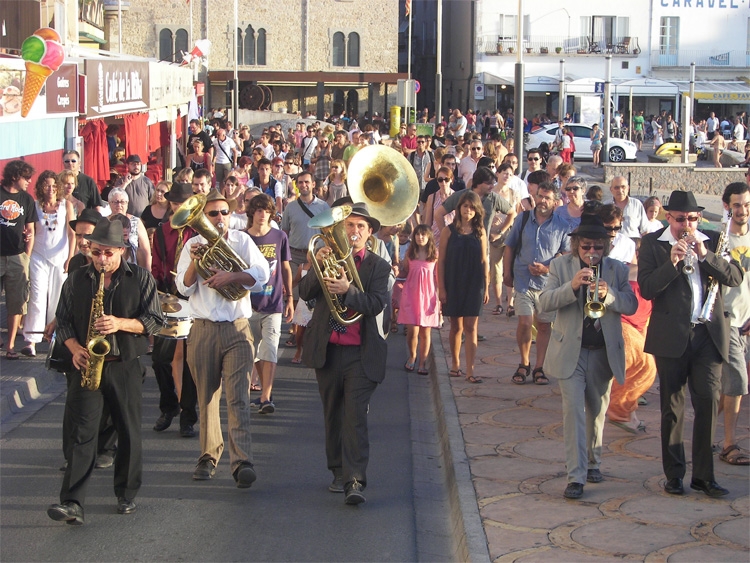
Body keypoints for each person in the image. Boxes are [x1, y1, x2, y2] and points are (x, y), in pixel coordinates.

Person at [47, 220, 163, 525]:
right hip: (86, 365)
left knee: (128, 430)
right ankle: (72, 502)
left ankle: (126, 493)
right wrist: (74, 349)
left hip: (124, 364)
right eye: (96, 252)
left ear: (121, 251)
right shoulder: (76, 279)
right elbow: (63, 322)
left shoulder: (139, 277)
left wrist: (120, 323)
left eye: (107, 253)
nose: (100, 259)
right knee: (82, 435)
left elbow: (154, 320)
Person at [638, 190, 743, 498]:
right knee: (672, 407)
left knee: (708, 403)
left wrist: (705, 255)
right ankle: (674, 474)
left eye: (693, 219)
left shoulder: (710, 240)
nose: (687, 224)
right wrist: (672, 263)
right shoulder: (653, 244)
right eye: (681, 219)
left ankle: (704, 477)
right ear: (668, 217)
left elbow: (734, 277)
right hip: (671, 336)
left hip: (707, 335)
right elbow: (646, 288)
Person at [539, 215, 637, 499]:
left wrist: (609, 295)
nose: (591, 252)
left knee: (597, 410)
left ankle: (594, 461)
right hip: (571, 351)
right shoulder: (560, 265)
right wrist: (570, 287)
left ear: (605, 245)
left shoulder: (617, 270)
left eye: (597, 247)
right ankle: (575, 476)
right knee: (573, 412)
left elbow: (630, 304)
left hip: (602, 352)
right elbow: (544, 302)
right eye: (586, 247)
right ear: (576, 246)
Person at [176, 189, 269, 487]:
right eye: (212, 213)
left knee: (238, 397)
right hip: (202, 328)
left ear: (231, 215)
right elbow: (183, 287)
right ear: (203, 216)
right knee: (207, 398)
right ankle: (208, 456)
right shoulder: (192, 243)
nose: (219, 218)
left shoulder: (243, 241)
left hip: (237, 327)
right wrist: (194, 262)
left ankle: (242, 461)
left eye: (223, 213)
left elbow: (262, 274)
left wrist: (233, 276)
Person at [299, 201, 390, 505]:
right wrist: (316, 265)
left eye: (360, 227)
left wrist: (347, 291)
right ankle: (337, 470)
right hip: (328, 350)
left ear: (369, 234)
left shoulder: (379, 266)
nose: (353, 231)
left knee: (354, 416)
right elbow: (305, 293)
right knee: (332, 414)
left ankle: (355, 479)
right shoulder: (326, 255)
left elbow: (376, 303)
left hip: (360, 354)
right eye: (349, 225)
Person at [503, 182, 570, 385]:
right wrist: (507, 274)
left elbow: (566, 254)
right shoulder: (523, 219)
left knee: (543, 325)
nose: (542, 201)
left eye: (547, 198)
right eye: (540, 196)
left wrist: (547, 268)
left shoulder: (562, 226)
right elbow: (510, 246)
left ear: (555, 202)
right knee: (524, 322)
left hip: (548, 284)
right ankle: (524, 362)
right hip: (523, 280)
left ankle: (539, 366)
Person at [150, 182, 199, 438]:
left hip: (194, 297)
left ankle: (188, 416)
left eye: (184, 203)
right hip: (169, 297)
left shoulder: (197, 231)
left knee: (190, 361)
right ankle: (169, 407)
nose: (178, 207)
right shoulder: (161, 232)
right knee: (159, 359)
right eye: (175, 202)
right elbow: (156, 263)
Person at [246, 194, 294, 414]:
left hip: (273, 303)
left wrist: (290, 297)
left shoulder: (280, 236)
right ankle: (265, 391)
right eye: (257, 210)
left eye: (266, 210)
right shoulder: (243, 238)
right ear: (251, 213)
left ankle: (266, 397)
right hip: (248, 304)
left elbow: (285, 268)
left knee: (271, 349)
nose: (262, 214)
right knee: (255, 352)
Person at [20, 171, 76, 357]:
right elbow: (32, 231)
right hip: (38, 256)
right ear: (40, 188)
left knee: (58, 299)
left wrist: (70, 258)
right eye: (46, 185)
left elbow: (71, 233)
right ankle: (31, 341)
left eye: (53, 185)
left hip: (60, 258)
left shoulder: (66, 206)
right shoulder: (34, 206)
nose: (50, 189)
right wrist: (27, 257)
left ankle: (56, 340)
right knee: (37, 297)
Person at [438, 190, 489, 384]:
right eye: (465, 206)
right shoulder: (448, 231)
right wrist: (441, 288)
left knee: (471, 326)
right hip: (454, 281)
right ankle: (455, 363)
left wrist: (486, 284)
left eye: (472, 207)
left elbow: (484, 260)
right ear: (459, 208)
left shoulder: (480, 232)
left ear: (477, 211)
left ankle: (471, 370)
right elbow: (441, 261)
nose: (468, 210)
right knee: (456, 326)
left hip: (474, 283)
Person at [717, 182, 750, 466]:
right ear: (727, 206)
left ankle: (706, 428)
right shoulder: (720, 239)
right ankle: (729, 443)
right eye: (737, 205)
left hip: (748, 319)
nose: (743, 210)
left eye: (747, 205)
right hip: (727, 319)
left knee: (727, 387)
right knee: (738, 380)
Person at [0, 160, 37, 359]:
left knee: (16, 303)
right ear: (15, 176)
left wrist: (26, 256)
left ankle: (11, 345)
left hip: (17, 256)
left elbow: (31, 229)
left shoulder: (27, 199)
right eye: (26, 178)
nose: (29, 182)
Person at [400, 225, 440, 375]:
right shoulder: (411, 252)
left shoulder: (434, 254)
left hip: (428, 296)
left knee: (425, 332)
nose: (420, 237)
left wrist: (440, 299)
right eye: (417, 235)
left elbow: (438, 277)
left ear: (429, 236)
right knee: (412, 331)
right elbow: (405, 269)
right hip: (411, 294)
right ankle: (412, 356)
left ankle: (422, 363)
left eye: (423, 235)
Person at [106, 188, 152, 270]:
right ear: (109, 203)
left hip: (133, 264)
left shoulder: (136, 221)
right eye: (115, 202)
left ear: (127, 204)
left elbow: (146, 250)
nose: (119, 205)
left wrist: (148, 272)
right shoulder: (103, 222)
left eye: (122, 202)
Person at [423, 166, 455, 248]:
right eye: (440, 180)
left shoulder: (456, 196)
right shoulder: (432, 197)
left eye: (446, 179)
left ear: (451, 179)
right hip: (435, 238)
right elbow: (428, 221)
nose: (443, 183)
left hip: (452, 236)